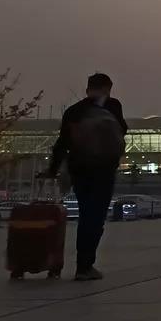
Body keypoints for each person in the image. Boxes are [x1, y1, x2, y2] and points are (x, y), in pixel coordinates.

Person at [45, 73, 128, 281]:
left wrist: (52, 169)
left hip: (79, 169)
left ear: (87, 89)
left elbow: (62, 143)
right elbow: (122, 130)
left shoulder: (74, 111)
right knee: (95, 216)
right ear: (108, 88)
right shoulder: (112, 105)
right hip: (104, 169)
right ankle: (85, 265)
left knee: (85, 213)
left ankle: (83, 264)